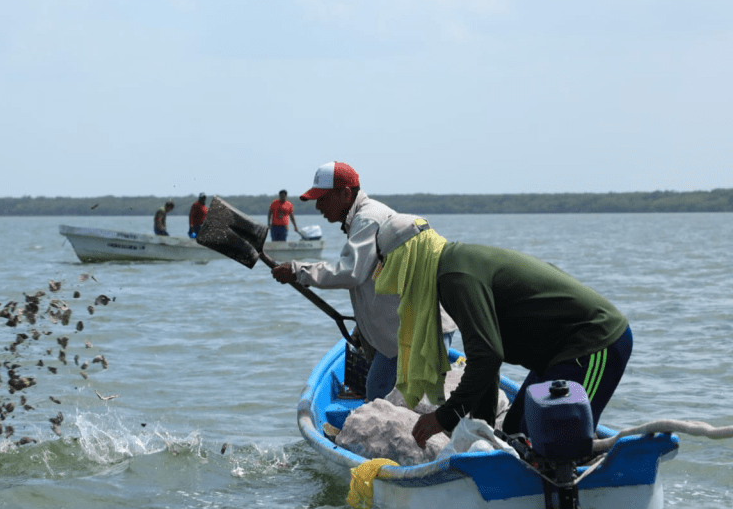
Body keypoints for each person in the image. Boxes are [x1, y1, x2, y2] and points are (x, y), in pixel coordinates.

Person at [371, 227, 632, 449]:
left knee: (552, 445)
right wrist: (483, 430)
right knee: (513, 431)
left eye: (387, 265)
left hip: (595, 343)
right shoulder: (448, 267)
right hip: (556, 357)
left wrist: (443, 418)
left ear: (405, 258)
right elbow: (486, 355)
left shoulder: (455, 277)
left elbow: (486, 357)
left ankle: (575, 496)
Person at [270, 161, 456, 401]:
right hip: (402, 331)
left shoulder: (368, 219)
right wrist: (363, 328)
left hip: (422, 329)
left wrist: (298, 271)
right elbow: (374, 280)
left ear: (345, 194)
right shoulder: (361, 219)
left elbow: (350, 272)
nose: (318, 206)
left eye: (323, 198)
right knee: (377, 393)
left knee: (408, 404)